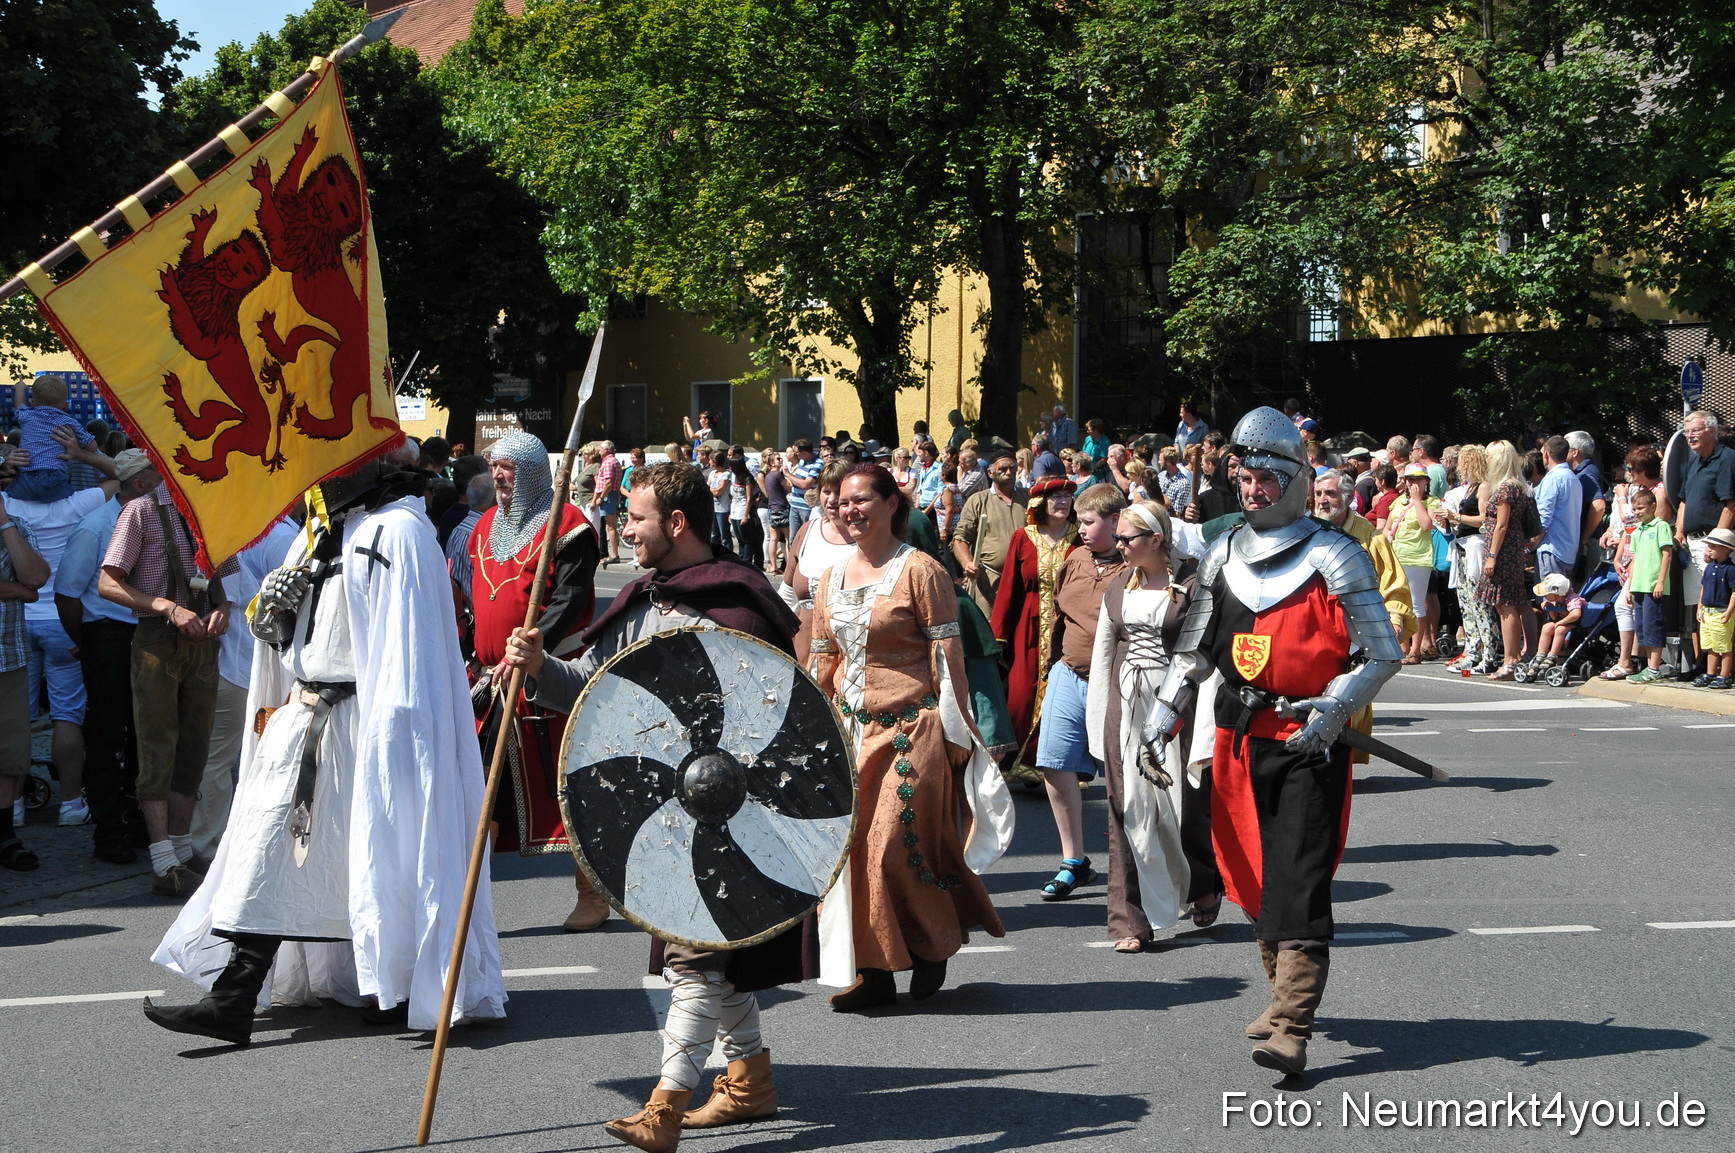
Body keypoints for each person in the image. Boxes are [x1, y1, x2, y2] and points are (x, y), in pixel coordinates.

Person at [146, 450, 506, 1046]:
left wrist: (396, 745)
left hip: (367, 723)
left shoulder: (400, 530)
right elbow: (287, 639)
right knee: (266, 851)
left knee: (370, 857)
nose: (320, 480)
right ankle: (235, 996)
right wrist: (273, 615)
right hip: (306, 716)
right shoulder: (317, 535)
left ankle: (384, 984)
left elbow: (407, 654)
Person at [503, 461, 809, 1150]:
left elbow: (779, 726)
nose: (625, 528)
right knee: (709, 956)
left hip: (733, 820)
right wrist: (536, 669)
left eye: (635, 518)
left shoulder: (737, 604)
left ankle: (665, 1105)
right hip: (662, 817)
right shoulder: (643, 599)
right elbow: (589, 690)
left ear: (675, 523)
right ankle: (750, 1081)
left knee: (694, 959)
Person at [1150, 407, 1402, 1075]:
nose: (1253, 488)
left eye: (1266, 477)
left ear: (1292, 479)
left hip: (1307, 740)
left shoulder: (1334, 553)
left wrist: (1334, 709)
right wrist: (1163, 714)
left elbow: (1381, 653)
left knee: (1299, 874)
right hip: (1238, 734)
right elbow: (1194, 652)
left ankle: (1292, 1023)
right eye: (1245, 475)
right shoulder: (1224, 552)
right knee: (1253, 874)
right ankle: (1277, 993)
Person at [808, 464, 1009, 1012]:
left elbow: (948, 658)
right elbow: (823, 660)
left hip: (913, 728)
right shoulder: (831, 578)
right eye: (842, 502)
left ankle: (929, 945)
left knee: (895, 848)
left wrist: (956, 730)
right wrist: (811, 730)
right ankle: (873, 973)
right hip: (851, 733)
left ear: (891, 504)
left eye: (861, 500)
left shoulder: (920, 570)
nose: (849, 511)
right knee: (851, 856)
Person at [468, 431, 603, 929]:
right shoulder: (484, 526)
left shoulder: (568, 526)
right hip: (489, 681)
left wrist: (529, 648)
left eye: (508, 467)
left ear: (530, 473)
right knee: (482, 791)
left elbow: (568, 601)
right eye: (494, 466)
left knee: (571, 788)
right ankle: (473, 901)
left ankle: (591, 894)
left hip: (548, 679)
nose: (499, 476)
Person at [1086, 500, 1217, 953]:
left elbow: (1206, 657)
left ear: (1156, 540)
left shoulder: (1195, 585)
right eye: (1118, 538)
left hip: (1178, 702)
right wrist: (1099, 720)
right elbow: (1103, 656)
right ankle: (1130, 920)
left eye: (1128, 539)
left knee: (1186, 805)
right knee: (1127, 811)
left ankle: (1201, 882)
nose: (1118, 546)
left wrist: (1196, 720)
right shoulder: (1117, 588)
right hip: (1126, 709)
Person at [98, 475, 235, 896]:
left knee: (193, 749)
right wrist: (165, 605)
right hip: (157, 640)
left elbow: (223, 586)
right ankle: (162, 860)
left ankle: (182, 850)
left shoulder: (209, 513)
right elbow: (107, 583)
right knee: (158, 748)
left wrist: (223, 609)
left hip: (202, 647)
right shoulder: (139, 510)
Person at [4, 427, 119, 828]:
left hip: (17, 621)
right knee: (68, 716)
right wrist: (84, 453)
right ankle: (71, 803)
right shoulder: (77, 505)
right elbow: (118, 475)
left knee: (16, 717)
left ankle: (12, 804)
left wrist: (6, 463)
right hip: (64, 620)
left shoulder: (5, 505)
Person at [53, 449, 159, 862]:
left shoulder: (156, 517)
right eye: (156, 476)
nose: (162, 483)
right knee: (107, 735)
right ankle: (109, 831)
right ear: (139, 484)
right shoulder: (95, 526)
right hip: (110, 635)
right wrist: (88, 641)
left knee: (145, 733)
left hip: (146, 632)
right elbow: (67, 592)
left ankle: (138, 823)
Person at [189, 514, 301, 865]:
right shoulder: (264, 536)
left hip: (240, 663)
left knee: (232, 758)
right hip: (236, 664)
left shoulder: (250, 536)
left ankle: (218, 841)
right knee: (220, 760)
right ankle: (205, 846)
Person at [1034, 483, 1127, 901]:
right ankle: (1075, 861)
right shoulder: (1074, 559)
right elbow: (1058, 615)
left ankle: (1136, 862)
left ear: (1115, 522)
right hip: (1068, 674)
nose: (1081, 529)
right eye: (1079, 521)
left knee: (1127, 777)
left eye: (1089, 522)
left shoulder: (1135, 567)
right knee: (1053, 762)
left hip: (1119, 682)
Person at [989, 477, 1078, 771]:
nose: (1063, 502)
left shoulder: (1080, 538)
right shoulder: (1023, 537)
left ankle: (1054, 767)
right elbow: (1008, 589)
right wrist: (998, 635)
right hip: (1027, 631)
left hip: (1068, 630)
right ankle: (1017, 765)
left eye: (1067, 497)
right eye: (1056, 497)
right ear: (1040, 503)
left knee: (1063, 698)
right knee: (1021, 695)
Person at [0, 504, 48, 871]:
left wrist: (3, 522)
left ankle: (4, 837)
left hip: (7, 658)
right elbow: (25, 589)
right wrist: (13, 588)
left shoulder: (15, 526)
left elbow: (35, 579)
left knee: (9, 754)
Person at [1600, 446, 1668, 680]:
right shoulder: (1639, 490)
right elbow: (1625, 525)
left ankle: (1630, 661)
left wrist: (1620, 498)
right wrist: (1613, 539)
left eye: (1631, 469)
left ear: (1642, 469)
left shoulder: (1658, 492)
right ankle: (1636, 661)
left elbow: (1642, 522)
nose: (1628, 473)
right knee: (1633, 610)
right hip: (1631, 554)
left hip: (1648, 563)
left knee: (1630, 609)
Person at [1675, 412, 1735, 675]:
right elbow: (1684, 500)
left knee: (1721, 607)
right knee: (1699, 607)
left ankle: (1725, 668)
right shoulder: (1693, 461)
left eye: (1696, 430)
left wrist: (1716, 545)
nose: (1691, 436)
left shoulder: (1727, 460)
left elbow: (1730, 505)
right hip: (1692, 542)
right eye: (1688, 432)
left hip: (1714, 544)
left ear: (1711, 431)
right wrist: (1679, 532)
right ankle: (1703, 665)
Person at [781, 459, 856, 661]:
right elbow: (786, 596)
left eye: (838, 492)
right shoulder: (808, 531)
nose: (832, 499)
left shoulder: (867, 539)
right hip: (803, 648)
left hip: (847, 652)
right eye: (826, 491)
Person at [1479, 440, 1540, 679]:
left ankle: (1510, 660)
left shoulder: (1506, 488)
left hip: (1503, 551)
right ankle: (1512, 658)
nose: (1486, 460)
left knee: (1504, 604)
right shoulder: (1517, 486)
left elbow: (1501, 525)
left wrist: (1492, 556)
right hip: (1512, 549)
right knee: (1510, 602)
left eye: (1489, 456)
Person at [1440, 445, 1496, 674]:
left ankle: (1488, 653)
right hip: (1462, 545)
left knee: (1479, 603)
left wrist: (1457, 516)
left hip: (1475, 546)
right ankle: (1473, 652)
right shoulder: (1470, 487)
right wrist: (1451, 521)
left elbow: (1484, 519)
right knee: (1466, 603)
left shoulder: (1483, 487)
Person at [951, 448, 1026, 617]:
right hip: (990, 583)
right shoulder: (978, 500)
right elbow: (960, 538)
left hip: (1024, 582)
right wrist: (967, 563)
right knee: (993, 635)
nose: (1009, 472)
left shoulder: (1028, 499)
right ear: (990, 472)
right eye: (1003, 469)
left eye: (1012, 468)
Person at [1384, 465, 1443, 663]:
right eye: (1410, 479)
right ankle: (1403, 647)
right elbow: (1387, 530)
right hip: (1397, 557)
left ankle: (1415, 651)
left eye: (1418, 479)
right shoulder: (1398, 502)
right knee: (1397, 603)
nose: (1413, 483)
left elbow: (1427, 525)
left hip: (1418, 559)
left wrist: (1418, 501)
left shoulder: (1432, 502)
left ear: (1426, 481)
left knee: (1417, 605)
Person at [7, 375, 96, 503]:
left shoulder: (27, 416)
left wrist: (20, 388)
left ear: (32, 403)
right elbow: (92, 447)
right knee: (67, 500)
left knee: (9, 500)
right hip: (56, 476)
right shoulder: (69, 422)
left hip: (27, 476)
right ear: (66, 405)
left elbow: (19, 404)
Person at [1621, 486, 1674, 684]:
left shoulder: (1661, 526)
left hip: (1654, 587)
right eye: (1635, 509)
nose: (1638, 512)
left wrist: (1660, 581)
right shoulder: (1636, 532)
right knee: (1642, 627)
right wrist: (1629, 587)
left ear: (1653, 506)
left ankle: (1653, 668)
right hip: (1639, 586)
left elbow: (1667, 554)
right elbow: (1633, 561)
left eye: (1641, 508)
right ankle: (1649, 667)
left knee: (1654, 626)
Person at [1534, 435, 1583, 587]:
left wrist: (1530, 545)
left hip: (1552, 550)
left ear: (1547, 454)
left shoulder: (1552, 479)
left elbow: (1543, 519)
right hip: (1569, 550)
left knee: (1550, 601)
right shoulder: (1574, 478)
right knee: (1562, 602)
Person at [1692, 528, 1735, 688]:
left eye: (1713, 546)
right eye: (1708, 545)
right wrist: (1700, 606)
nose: (1708, 549)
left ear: (1726, 549)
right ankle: (1711, 673)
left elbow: (1734, 592)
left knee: (1723, 646)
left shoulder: (1730, 569)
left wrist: (1729, 612)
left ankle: (1725, 675)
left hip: (1721, 612)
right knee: (1710, 646)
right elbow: (1704, 587)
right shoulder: (1709, 568)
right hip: (1707, 612)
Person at [1566, 430, 1607, 579]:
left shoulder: (1586, 474)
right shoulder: (1581, 472)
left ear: (1575, 452)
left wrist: (1585, 536)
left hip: (1586, 544)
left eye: (1566, 448)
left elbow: (1599, 506)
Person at [1528, 573, 1585, 673]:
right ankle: (1540, 655)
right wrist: (1550, 608)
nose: (1544, 596)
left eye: (1546, 594)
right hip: (1561, 621)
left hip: (1575, 623)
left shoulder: (1573, 600)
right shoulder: (1557, 599)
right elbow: (1554, 618)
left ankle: (1552, 656)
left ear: (1555, 596)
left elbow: (1576, 614)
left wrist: (1562, 622)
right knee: (1546, 627)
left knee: (1559, 629)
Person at [757, 448, 789, 574]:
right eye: (777, 459)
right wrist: (788, 475)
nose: (780, 460)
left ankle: (773, 565)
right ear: (771, 463)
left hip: (772, 508)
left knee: (773, 539)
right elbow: (789, 488)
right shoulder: (778, 474)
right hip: (782, 508)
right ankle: (789, 566)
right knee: (787, 539)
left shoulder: (768, 475)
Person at [594, 439, 624, 564]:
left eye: (601, 448)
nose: (599, 450)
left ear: (606, 450)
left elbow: (608, 483)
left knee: (610, 527)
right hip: (612, 495)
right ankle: (614, 553)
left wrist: (601, 497)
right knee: (611, 526)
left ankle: (614, 554)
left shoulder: (608, 463)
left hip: (609, 496)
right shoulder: (614, 461)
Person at [784, 438, 820, 536]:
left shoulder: (818, 463)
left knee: (806, 536)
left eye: (796, 452)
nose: (795, 455)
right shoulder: (802, 461)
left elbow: (805, 485)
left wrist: (788, 475)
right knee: (793, 538)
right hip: (794, 505)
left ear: (804, 452)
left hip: (806, 507)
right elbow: (798, 480)